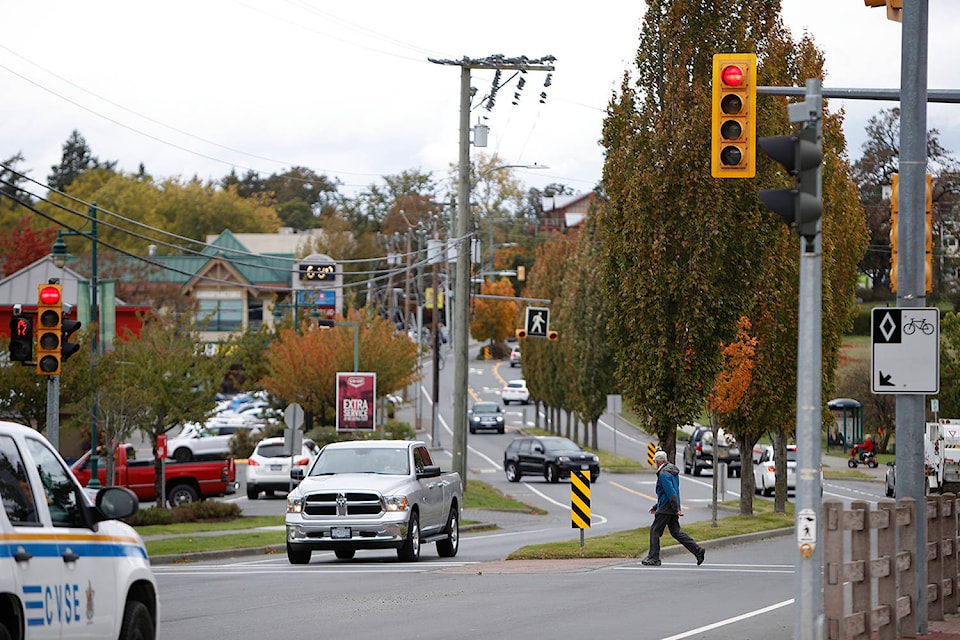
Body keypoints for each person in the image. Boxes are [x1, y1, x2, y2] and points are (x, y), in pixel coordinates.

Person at [641, 450, 706, 567]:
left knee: (655, 530)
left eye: (655, 461)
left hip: (667, 507)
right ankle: (697, 550)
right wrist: (657, 506)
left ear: (658, 462)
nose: (655, 463)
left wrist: (676, 509)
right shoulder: (672, 472)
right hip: (670, 505)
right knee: (676, 532)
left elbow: (670, 492)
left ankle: (654, 558)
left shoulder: (664, 474)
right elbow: (669, 493)